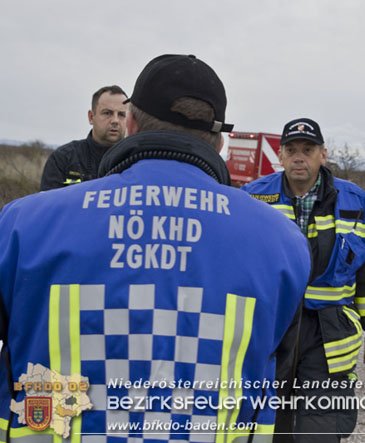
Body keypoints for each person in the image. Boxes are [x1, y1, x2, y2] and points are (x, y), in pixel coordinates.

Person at [0, 54, 310, 441]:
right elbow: (277, 379)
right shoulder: (283, 244)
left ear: (129, 122)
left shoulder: (20, 225)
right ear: (220, 140)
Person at [242, 118, 365, 442]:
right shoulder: (251, 198)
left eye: (307, 150)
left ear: (323, 154)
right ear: (279, 155)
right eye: (291, 150)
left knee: (319, 428)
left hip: (329, 331)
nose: (299, 157)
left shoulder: (358, 203)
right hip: (273, 330)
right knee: (267, 422)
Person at [40, 85, 128, 191]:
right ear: (91, 117)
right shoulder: (63, 159)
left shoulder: (137, 160)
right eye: (107, 113)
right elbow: (48, 204)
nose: (115, 120)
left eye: (121, 115)